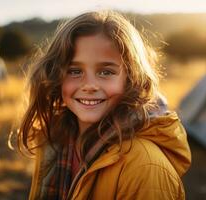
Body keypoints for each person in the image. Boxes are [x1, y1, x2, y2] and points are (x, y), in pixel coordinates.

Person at [18, 11, 191, 200]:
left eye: (106, 72)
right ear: (56, 76)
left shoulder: (145, 168)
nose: (90, 85)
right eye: (74, 71)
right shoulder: (56, 140)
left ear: (131, 79)